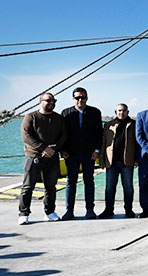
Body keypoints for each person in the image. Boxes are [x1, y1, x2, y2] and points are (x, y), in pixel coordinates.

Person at [18, 93, 67, 225]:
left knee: (51, 187)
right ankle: (24, 214)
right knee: (28, 186)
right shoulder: (31, 117)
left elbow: (63, 136)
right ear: (40, 102)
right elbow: (26, 135)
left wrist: (54, 149)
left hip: (52, 156)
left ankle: (50, 212)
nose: (52, 102)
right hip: (34, 156)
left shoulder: (58, 118)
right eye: (48, 100)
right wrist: (43, 148)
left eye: (54, 100)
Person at [60, 87, 102, 220]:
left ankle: (90, 210)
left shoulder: (95, 112)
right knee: (70, 182)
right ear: (73, 99)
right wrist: (62, 150)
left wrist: (97, 150)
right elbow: (62, 133)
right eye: (77, 97)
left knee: (89, 181)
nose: (80, 100)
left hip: (89, 154)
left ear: (87, 98)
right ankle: (69, 211)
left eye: (83, 97)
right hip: (71, 154)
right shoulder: (66, 113)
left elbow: (99, 133)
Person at [98, 104, 137, 219]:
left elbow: (137, 143)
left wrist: (137, 159)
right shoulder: (109, 125)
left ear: (128, 112)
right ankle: (109, 210)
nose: (122, 113)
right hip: (112, 162)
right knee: (110, 187)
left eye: (124, 111)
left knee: (128, 187)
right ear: (116, 111)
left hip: (127, 161)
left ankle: (129, 210)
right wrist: (102, 159)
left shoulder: (133, 125)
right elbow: (104, 143)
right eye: (119, 111)